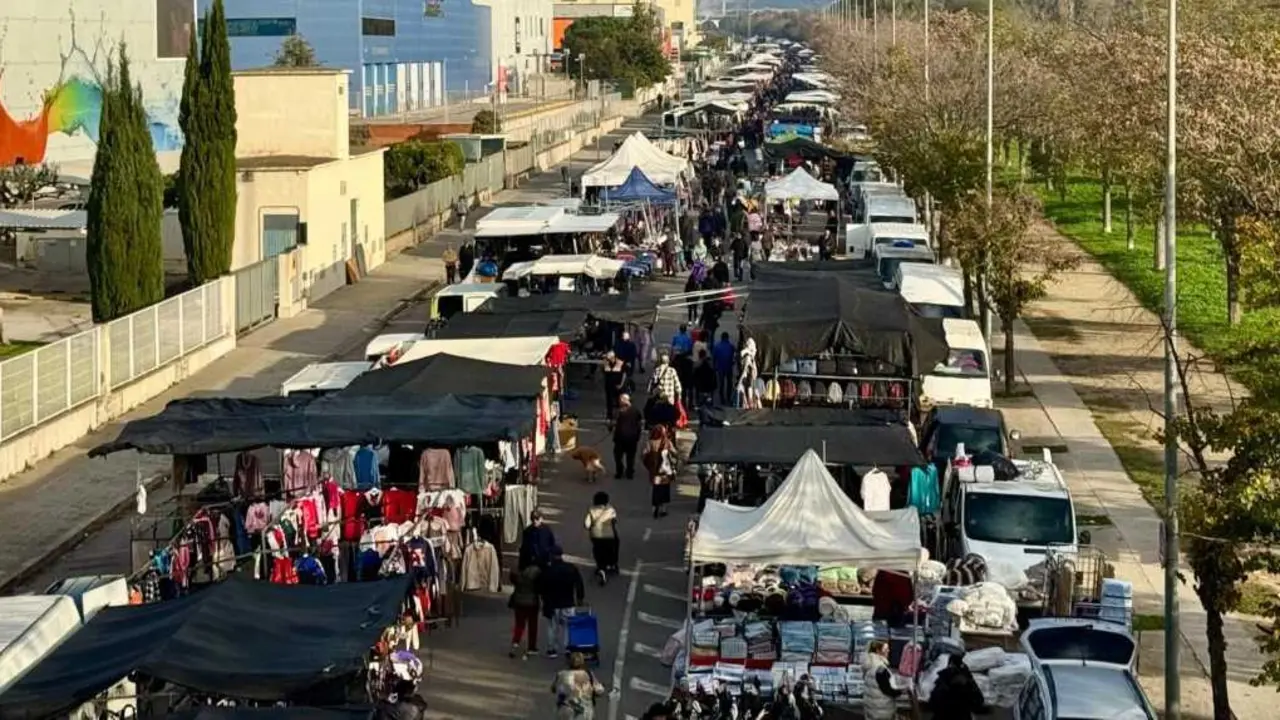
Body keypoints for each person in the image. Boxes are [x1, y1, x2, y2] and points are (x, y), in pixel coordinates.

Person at [538, 546, 585, 659]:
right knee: (568, 627)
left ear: (552, 556)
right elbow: (579, 584)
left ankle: (551, 649)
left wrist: (543, 600)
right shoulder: (570, 568)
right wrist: (580, 598)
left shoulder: (548, 570)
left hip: (552, 604)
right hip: (568, 602)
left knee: (552, 627)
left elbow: (541, 587)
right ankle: (568, 648)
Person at [928, 653, 986, 720]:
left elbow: (979, 702)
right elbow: (933, 703)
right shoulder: (944, 678)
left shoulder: (966, 679)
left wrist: (966, 684)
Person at [552, 651, 605, 719]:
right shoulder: (588, 674)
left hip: (565, 710)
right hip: (584, 710)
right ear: (582, 662)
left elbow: (553, 689)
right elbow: (599, 690)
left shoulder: (561, 674)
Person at [862, 639, 905, 720]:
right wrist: (902, 689)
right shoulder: (881, 669)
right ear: (878, 651)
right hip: (882, 712)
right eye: (885, 649)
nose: (888, 651)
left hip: (872, 709)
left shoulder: (869, 665)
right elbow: (889, 690)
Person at [584, 491, 619, 584]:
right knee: (611, 549)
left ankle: (601, 567)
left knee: (598, 551)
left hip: (596, 535)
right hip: (609, 535)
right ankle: (611, 565)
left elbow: (587, 524)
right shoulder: (610, 509)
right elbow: (614, 521)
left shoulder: (591, 510)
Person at [508, 563, 542, 659]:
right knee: (533, 625)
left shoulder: (516, 573)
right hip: (532, 602)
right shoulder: (536, 573)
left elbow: (513, 580)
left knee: (519, 624)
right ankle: (531, 647)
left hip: (519, 601)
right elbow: (539, 587)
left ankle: (515, 642)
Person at [644, 425, 676, 519]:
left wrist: (648, 465)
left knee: (656, 489)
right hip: (666, 470)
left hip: (655, 471)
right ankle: (664, 508)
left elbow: (644, 455)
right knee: (665, 489)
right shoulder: (667, 442)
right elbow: (675, 453)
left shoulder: (650, 443)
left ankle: (654, 508)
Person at [612, 394, 642, 479]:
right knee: (630, 457)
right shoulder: (636, 411)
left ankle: (620, 471)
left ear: (624, 400)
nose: (619, 401)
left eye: (620, 400)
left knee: (618, 456)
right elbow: (639, 424)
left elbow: (613, 424)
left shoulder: (619, 411)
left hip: (620, 438)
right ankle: (629, 472)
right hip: (632, 438)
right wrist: (638, 436)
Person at [712, 332, 736, 405]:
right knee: (729, 383)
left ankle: (722, 399)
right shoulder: (731, 346)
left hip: (720, 367)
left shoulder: (717, 346)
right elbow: (734, 356)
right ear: (727, 338)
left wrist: (714, 366)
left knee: (721, 383)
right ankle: (728, 398)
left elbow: (714, 358)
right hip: (728, 367)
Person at [601, 351, 626, 420]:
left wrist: (621, 384)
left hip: (618, 385)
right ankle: (609, 415)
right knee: (609, 401)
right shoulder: (606, 363)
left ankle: (620, 415)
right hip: (609, 385)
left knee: (619, 401)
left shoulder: (620, 363)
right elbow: (604, 372)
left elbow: (624, 374)